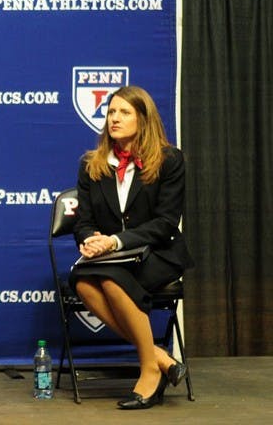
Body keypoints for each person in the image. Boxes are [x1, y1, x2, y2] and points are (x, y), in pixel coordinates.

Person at [70, 85, 194, 410]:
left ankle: (149, 371)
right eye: (111, 111)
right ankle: (160, 358)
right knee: (83, 282)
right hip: (113, 257)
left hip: (159, 252)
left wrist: (115, 241)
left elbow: (166, 223)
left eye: (124, 112)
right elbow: (82, 221)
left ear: (143, 118)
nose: (114, 118)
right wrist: (91, 239)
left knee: (112, 280)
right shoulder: (91, 165)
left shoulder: (169, 160)